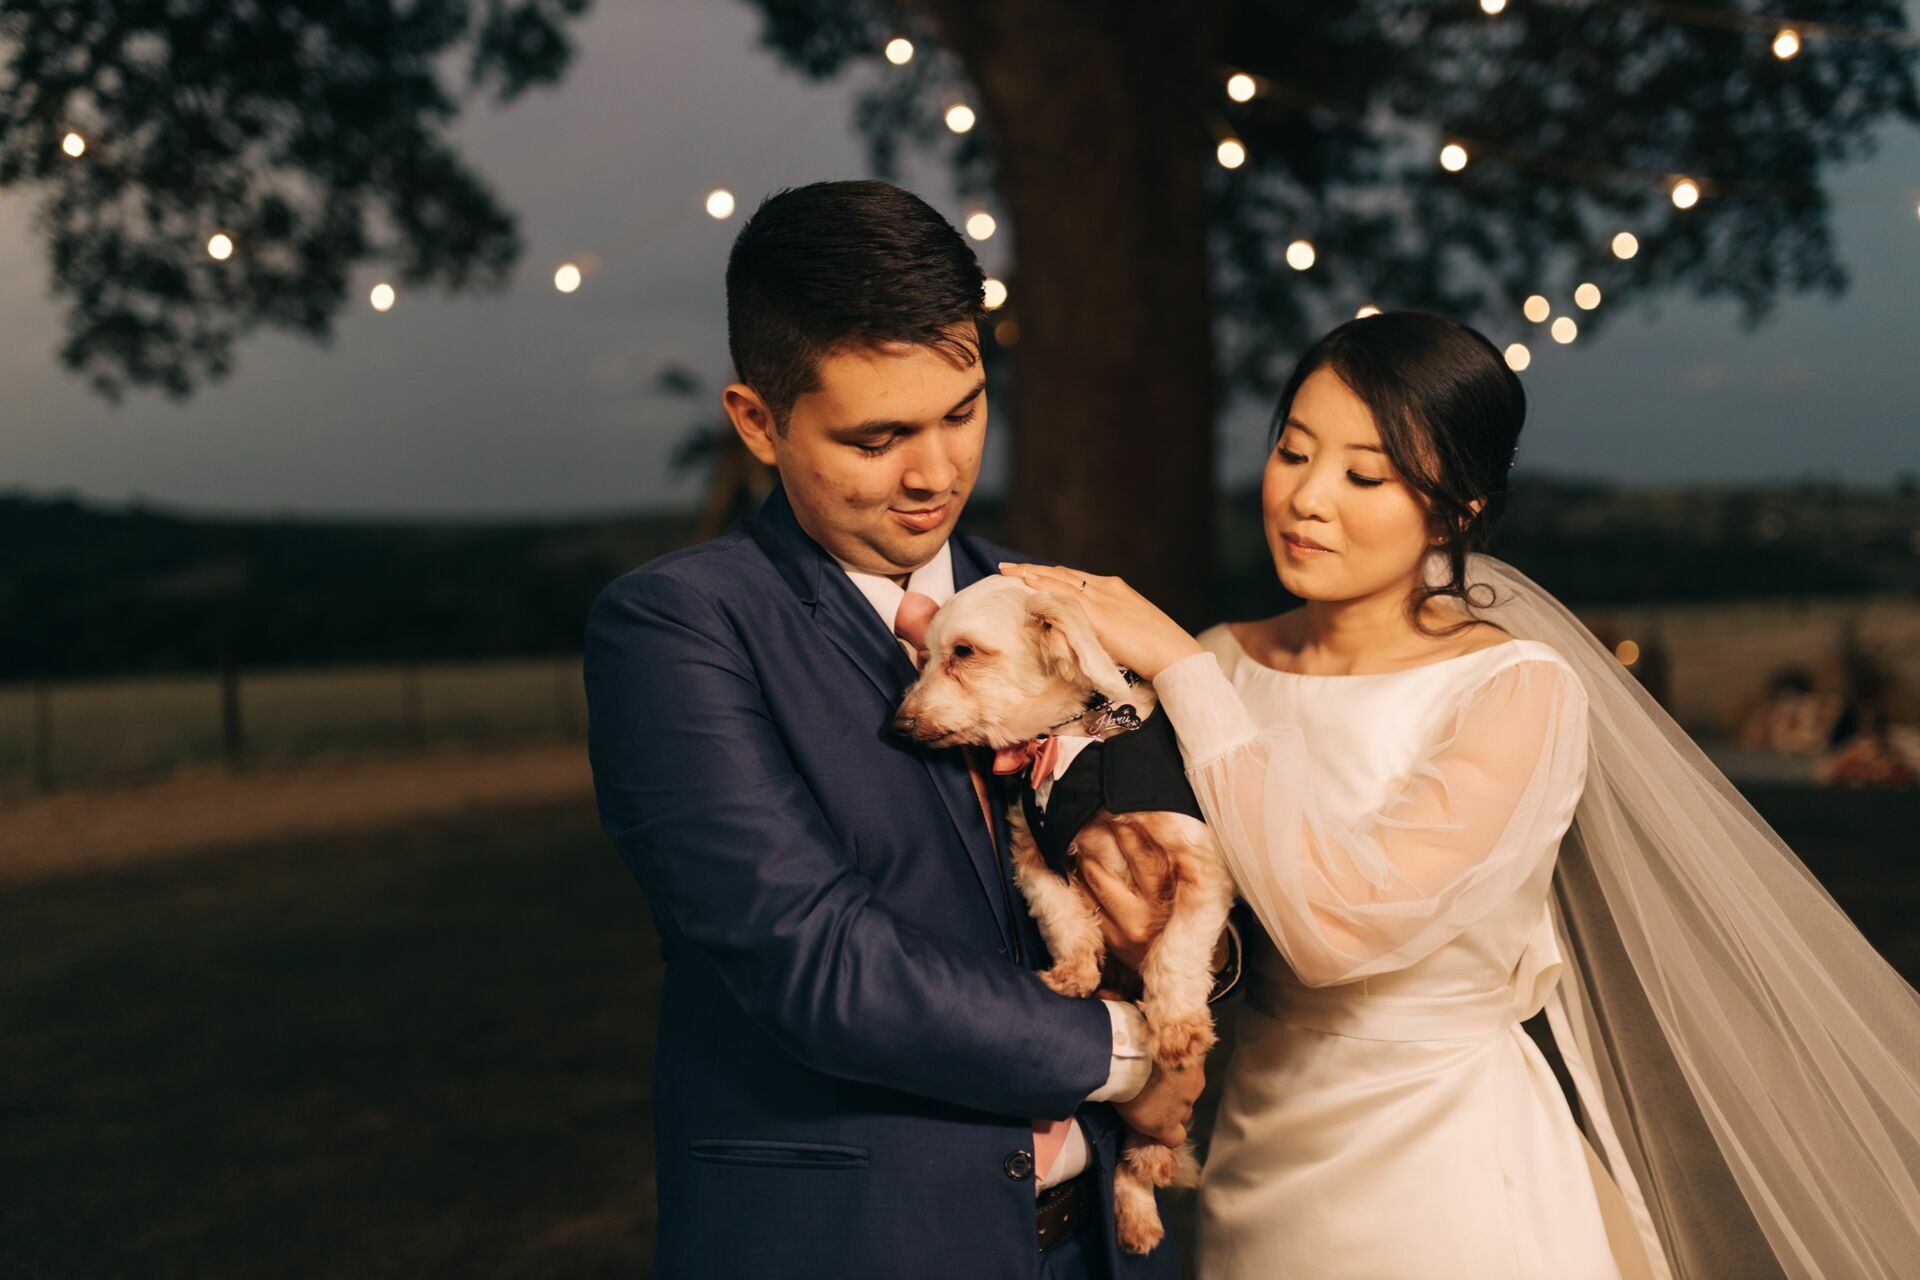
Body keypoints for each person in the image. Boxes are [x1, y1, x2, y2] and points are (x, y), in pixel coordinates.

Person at [1010, 310, 1920, 1279]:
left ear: (1456, 512)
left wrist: (1182, 670)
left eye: (1365, 475)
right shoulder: (1228, 657)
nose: (1308, 497)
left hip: (1445, 1164)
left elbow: (1336, 932)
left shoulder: (1513, 691)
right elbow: (1167, 904)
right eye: (1294, 451)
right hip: (1264, 1155)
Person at [583, 180, 1204, 1280]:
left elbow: (1182, 841)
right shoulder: (678, 628)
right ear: (758, 422)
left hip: (1103, 1250)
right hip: (858, 1244)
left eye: (962, 413)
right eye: (878, 437)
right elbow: (816, 960)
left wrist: (1199, 969)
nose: (935, 473)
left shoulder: (1050, 601)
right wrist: (1127, 1052)